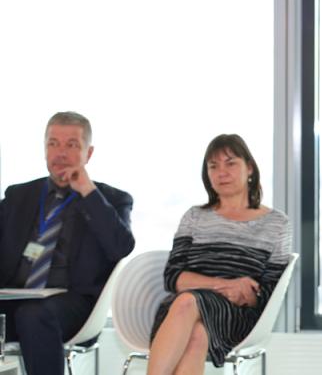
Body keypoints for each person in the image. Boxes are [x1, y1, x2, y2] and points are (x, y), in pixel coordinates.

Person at [0, 111, 135, 375]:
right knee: (27, 312)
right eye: (53, 144)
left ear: (89, 152)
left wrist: (87, 191)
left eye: (71, 145)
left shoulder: (112, 199)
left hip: (73, 304)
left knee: (34, 315)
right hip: (13, 297)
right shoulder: (19, 195)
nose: (61, 153)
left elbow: (121, 247)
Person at [147, 133, 292, 375]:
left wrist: (242, 294)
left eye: (230, 163)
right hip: (180, 311)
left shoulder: (276, 223)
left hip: (236, 315)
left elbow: (268, 292)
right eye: (213, 166)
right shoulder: (194, 216)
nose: (221, 172)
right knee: (196, 331)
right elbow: (173, 278)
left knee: (189, 304)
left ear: (250, 169)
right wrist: (225, 284)